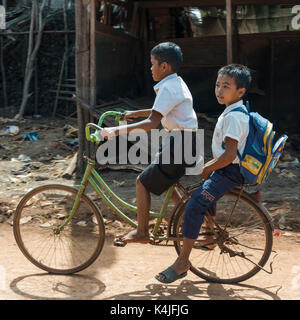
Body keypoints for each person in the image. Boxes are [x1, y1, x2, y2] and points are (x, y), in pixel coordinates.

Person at [155, 64, 251, 283]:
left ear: (240, 91)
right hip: (225, 170)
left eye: (226, 86)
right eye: (218, 85)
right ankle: (208, 237)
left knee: (194, 205)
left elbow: (229, 155)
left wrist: (209, 167)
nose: (219, 90)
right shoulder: (232, 112)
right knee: (204, 190)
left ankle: (182, 263)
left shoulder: (235, 117)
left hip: (229, 172)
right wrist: (208, 167)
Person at [100, 41, 198, 245]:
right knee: (168, 185)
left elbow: (153, 122)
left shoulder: (169, 88)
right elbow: (159, 111)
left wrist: (115, 131)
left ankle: (141, 232)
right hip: (183, 142)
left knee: (141, 182)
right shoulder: (175, 83)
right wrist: (133, 114)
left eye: (152, 63)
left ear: (164, 66)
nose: (150, 68)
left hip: (179, 144)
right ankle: (193, 222)